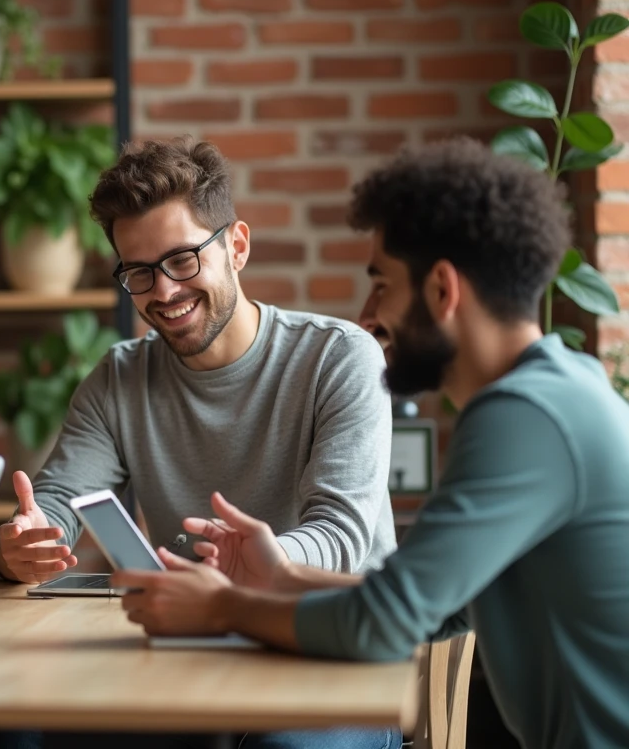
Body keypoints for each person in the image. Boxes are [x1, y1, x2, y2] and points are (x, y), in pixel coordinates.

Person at [110, 138, 629, 748]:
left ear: (442, 290)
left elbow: (387, 621)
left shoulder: (526, 416)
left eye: (382, 284)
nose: (370, 314)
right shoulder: (556, 393)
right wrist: (280, 579)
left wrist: (222, 608)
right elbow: (443, 607)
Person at [0, 137, 399, 749]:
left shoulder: (339, 359)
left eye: (182, 260)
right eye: (140, 273)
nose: (164, 292)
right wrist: (22, 547)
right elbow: (58, 507)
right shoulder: (120, 377)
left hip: (334, 649)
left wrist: (250, 566)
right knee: (18, 730)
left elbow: (341, 537)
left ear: (237, 246)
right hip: (191, 650)